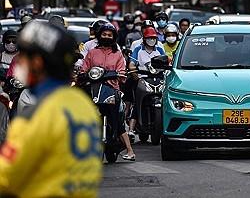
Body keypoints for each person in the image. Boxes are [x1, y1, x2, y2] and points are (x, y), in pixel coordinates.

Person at [0, 21, 102, 197]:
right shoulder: (83, 104)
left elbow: (6, 176)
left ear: (37, 63)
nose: (20, 63)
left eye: (24, 57)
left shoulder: (37, 114)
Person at [81, 24, 135, 161]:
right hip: (93, 89)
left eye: (109, 35)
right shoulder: (92, 52)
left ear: (113, 37)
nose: (106, 37)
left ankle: (130, 150)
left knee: (117, 119)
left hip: (111, 90)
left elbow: (122, 71)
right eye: (104, 34)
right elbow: (84, 68)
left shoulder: (117, 54)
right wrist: (82, 75)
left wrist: (119, 75)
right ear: (99, 36)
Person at [128, 27, 166, 136]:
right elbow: (132, 64)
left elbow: (165, 62)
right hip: (143, 78)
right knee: (138, 102)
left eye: (153, 38)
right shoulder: (138, 50)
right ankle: (131, 129)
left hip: (158, 78)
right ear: (144, 39)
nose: (151, 40)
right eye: (149, 38)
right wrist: (134, 72)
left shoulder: (159, 49)